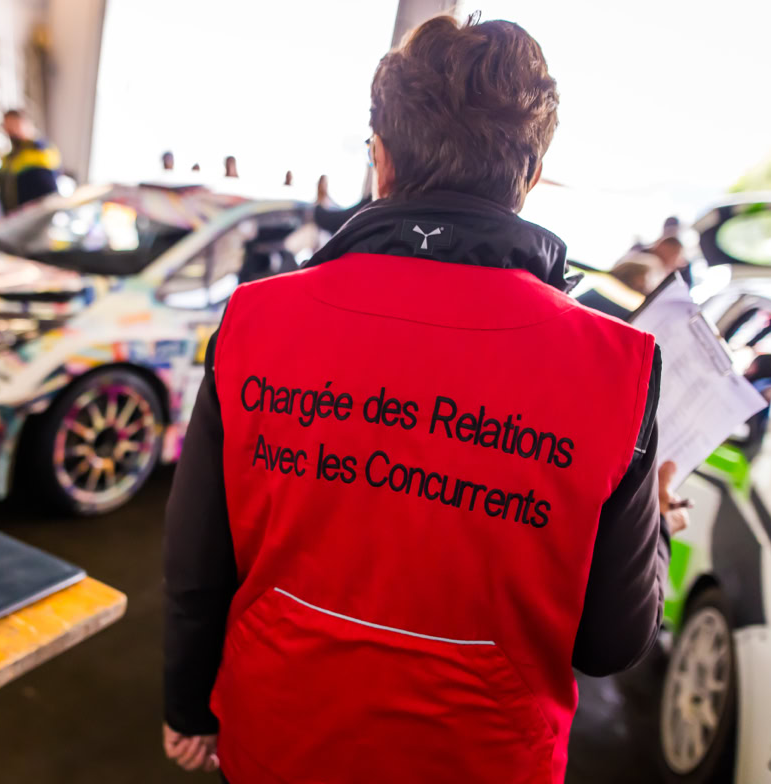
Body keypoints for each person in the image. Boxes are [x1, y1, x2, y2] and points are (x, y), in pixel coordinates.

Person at [163, 14, 683, 781]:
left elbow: (198, 562)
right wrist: (653, 527)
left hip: (276, 735)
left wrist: (188, 706)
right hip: (484, 760)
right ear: (532, 175)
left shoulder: (256, 319)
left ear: (380, 159)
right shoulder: (619, 366)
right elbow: (611, 642)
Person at [0, 108, 61, 213]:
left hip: (34, 215)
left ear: (26, 124)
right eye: (6, 127)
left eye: (13, 125)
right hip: (14, 215)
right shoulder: (10, 157)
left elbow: (49, 195)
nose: (10, 132)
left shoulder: (40, 151)